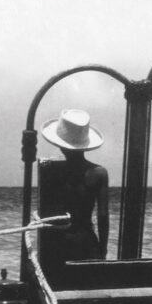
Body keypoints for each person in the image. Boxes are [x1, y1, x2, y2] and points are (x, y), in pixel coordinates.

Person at [39, 109, 109, 272]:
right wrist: (102, 248)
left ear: (60, 145)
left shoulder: (51, 170)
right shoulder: (99, 173)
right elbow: (103, 216)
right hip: (86, 242)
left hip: (58, 245)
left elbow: (46, 212)